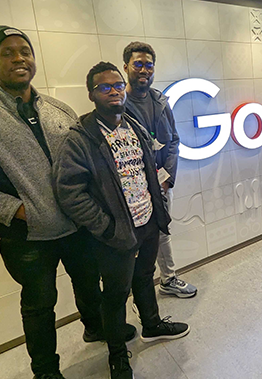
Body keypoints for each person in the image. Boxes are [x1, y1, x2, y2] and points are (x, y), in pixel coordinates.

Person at [0, 26, 104, 379]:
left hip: (76, 226)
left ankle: (96, 328)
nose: (19, 58)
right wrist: (18, 211)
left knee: (88, 284)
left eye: (25, 51)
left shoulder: (59, 109)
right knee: (40, 306)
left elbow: (85, 162)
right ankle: (45, 371)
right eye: (7, 53)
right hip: (26, 236)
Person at [53, 62, 190, 379]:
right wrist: (107, 227)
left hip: (148, 223)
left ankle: (152, 325)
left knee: (145, 278)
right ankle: (117, 355)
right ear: (91, 94)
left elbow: (148, 168)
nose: (113, 90)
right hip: (115, 234)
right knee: (115, 296)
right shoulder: (80, 138)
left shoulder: (133, 126)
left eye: (117, 85)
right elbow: (69, 192)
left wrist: (157, 209)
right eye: (104, 87)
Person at [122, 41, 197, 298]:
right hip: (134, 189)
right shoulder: (118, 105)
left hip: (162, 182)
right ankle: (138, 293)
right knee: (137, 239)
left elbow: (173, 140)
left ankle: (168, 279)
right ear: (126, 67)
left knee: (162, 230)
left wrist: (166, 178)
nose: (144, 70)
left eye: (149, 65)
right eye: (138, 64)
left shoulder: (161, 101)